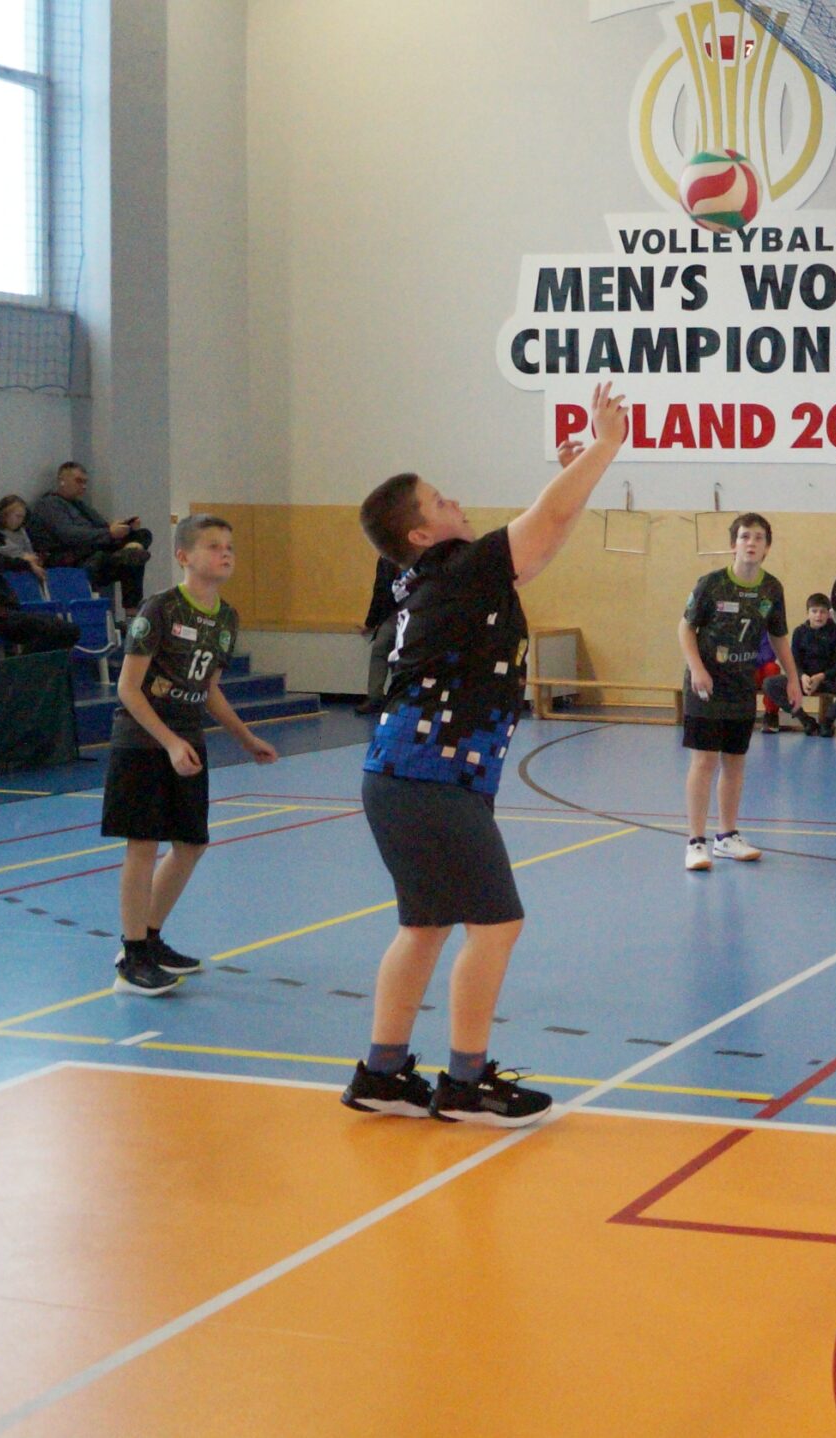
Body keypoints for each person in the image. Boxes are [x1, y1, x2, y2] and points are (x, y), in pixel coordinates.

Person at [339, 381, 627, 1127]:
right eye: (440, 501)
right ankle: (466, 1084)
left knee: (424, 925)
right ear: (419, 534)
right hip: (429, 779)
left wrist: (579, 471)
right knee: (494, 924)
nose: (455, 501)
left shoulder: (448, 576)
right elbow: (545, 521)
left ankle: (382, 1074)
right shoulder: (459, 570)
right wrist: (604, 447)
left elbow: (541, 543)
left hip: (404, 776)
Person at [99, 515, 280, 995]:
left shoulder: (226, 618)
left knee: (191, 844)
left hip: (186, 738)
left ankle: (150, 938)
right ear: (183, 556)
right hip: (143, 740)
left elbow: (209, 689)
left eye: (229, 547)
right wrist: (169, 741)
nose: (226, 554)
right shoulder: (160, 609)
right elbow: (128, 688)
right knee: (142, 844)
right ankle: (131, 956)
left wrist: (245, 738)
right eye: (213, 546)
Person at [677, 513, 798, 870]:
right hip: (706, 685)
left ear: (767, 547)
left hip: (741, 685)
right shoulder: (711, 584)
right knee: (704, 761)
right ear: (734, 544)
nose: (751, 543)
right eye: (745, 536)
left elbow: (779, 636)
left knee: (735, 762)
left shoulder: (771, 589)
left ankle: (726, 837)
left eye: (758, 537)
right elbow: (685, 629)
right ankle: (695, 842)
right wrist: (698, 669)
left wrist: (793, 677)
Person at [28, 462, 152, 610]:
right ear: (62, 480)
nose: (83, 486)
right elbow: (69, 535)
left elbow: (102, 527)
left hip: (96, 550)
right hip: (74, 559)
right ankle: (131, 608)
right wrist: (109, 533)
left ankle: (130, 551)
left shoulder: (81, 505)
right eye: (79, 481)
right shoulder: (49, 505)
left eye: (85, 482)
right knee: (134, 558)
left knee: (142, 536)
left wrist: (125, 528)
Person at [0, 511, 79, 654]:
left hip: (4, 614)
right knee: (59, 630)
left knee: (68, 630)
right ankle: (26, 664)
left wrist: (29, 565)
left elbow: (9, 562)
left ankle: (26, 663)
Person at [766, 593, 836, 736]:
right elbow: (794, 661)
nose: (818, 616)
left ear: (828, 614)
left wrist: (822, 676)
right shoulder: (799, 632)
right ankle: (806, 720)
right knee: (770, 683)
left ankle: (828, 720)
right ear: (808, 613)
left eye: (822, 612)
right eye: (814, 611)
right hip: (805, 680)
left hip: (830, 679)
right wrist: (802, 676)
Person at [359, 554, 403, 715]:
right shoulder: (385, 559)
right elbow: (379, 591)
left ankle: (398, 699)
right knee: (380, 650)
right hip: (392, 615)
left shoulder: (418, 555)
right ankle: (375, 698)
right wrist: (371, 622)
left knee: (400, 656)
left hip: (412, 614)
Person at [0, 496, 50, 582]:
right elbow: (5, 552)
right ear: (4, 514)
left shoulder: (21, 531)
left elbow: (28, 548)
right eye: (18, 516)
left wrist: (34, 559)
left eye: (22, 517)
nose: (20, 520)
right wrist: (25, 558)